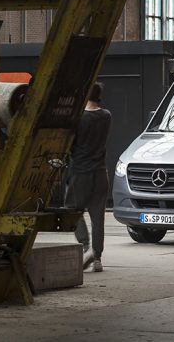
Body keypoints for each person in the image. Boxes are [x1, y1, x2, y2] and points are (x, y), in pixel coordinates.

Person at [65, 82, 111, 272]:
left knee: (72, 211)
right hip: (100, 172)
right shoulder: (106, 116)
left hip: (80, 171)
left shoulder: (78, 118)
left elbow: (70, 143)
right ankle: (97, 258)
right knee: (97, 216)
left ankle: (86, 248)